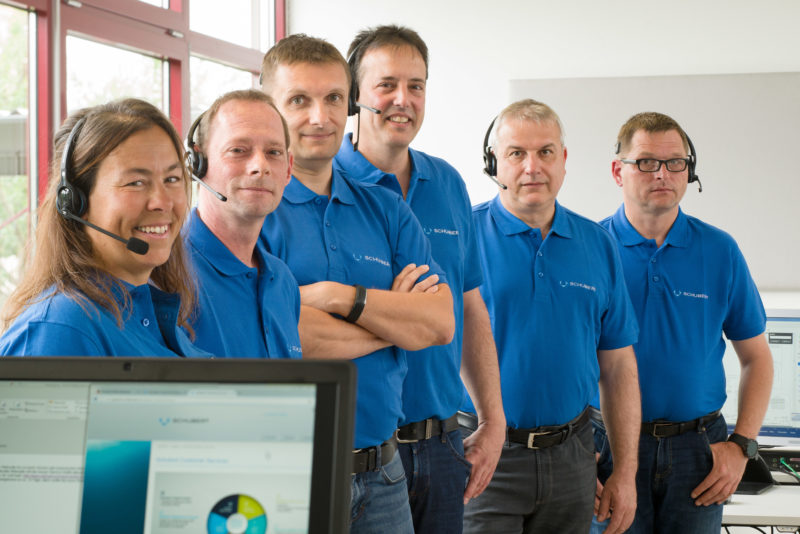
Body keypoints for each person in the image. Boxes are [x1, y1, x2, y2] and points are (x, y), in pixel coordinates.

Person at [259, 34, 455, 533]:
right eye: (299, 100)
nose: (320, 117)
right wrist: (393, 323)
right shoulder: (255, 213)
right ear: (270, 109)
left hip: (383, 473)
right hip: (289, 475)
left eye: (332, 99)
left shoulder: (386, 207)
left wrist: (334, 298)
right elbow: (283, 336)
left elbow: (438, 323)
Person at [333, 24, 505, 533]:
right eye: (386, 85)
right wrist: (403, 315)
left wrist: (492, 421)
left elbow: (470, 310)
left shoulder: (448, 183)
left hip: (442, 444)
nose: (402, 100)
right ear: (354, 95)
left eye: (416, 85)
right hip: (355, 455)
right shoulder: (323, 186)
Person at [461, 99, 641, 534]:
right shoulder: (463, 238)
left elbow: (617, 366)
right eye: (516, 153)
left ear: (563, 161)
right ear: (494, 164)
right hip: (486, 458)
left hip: (572, 460)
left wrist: (626, 473)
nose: (532, 167)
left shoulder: (597, 244)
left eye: (545, 152)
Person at [590, 111, 773, 533]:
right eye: (647, 162)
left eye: (676, 163)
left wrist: (742, 445)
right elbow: (562, 360)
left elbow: (757, 358)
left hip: (699, 450)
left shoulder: (720, 250)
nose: (664, 174)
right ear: (618, 171)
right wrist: (576, 451)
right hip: (611, 446)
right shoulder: (591, 248)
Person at [1, 98, 208, 358]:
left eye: (172, 179)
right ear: (76, 202)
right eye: (135, 182)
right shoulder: (59, 329)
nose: (163, 202)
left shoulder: (150, 315)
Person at [184, 90, 302, 359]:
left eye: (273, 152)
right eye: (238, 151)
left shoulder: (283, 281)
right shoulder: (166, 272)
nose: (260, 166)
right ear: (197, 164)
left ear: (289, 168)